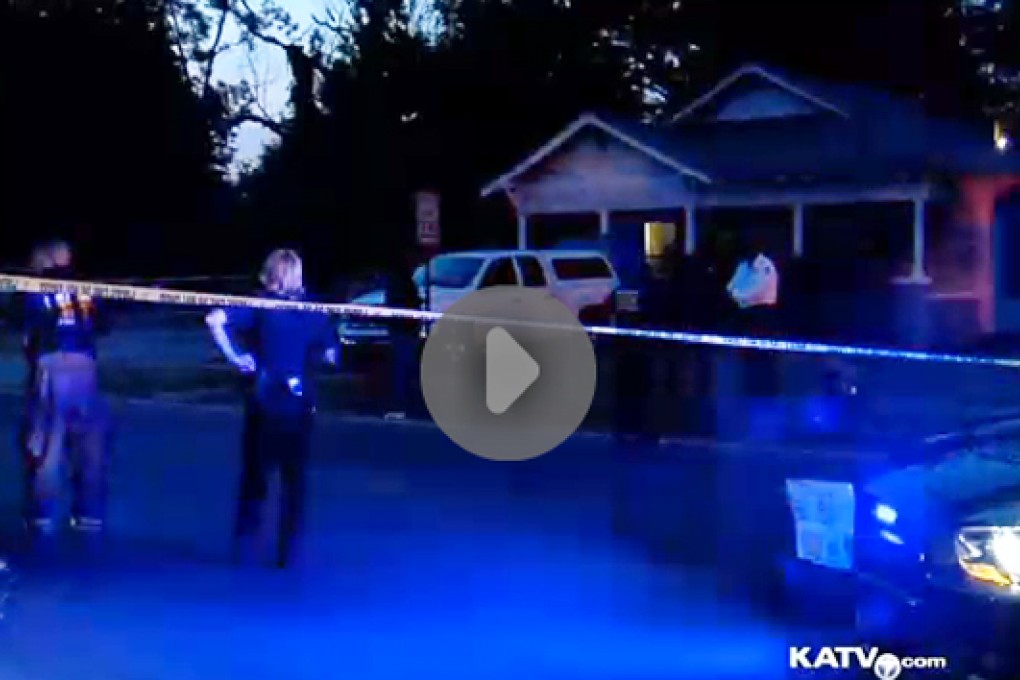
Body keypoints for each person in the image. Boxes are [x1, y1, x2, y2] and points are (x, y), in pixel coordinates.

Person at [205, 249, 339, 568]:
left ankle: (245, 545)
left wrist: (235, 356)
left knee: (255, 477)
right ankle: (287, 552)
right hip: (298, 405)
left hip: (264, 404)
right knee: (294, 482)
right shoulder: (313, 311)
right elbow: (332, 353)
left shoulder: (260, 306)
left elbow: (214, 319)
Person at [21, 240, 111, 540]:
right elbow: (103, 322)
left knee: (47, 442)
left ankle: (43, 516)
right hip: (86, 366)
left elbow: (27, 330)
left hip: (53, 363)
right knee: (89, 442)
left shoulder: (34, 285)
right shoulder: (86, 285)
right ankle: (88, 514)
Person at [725, 235, 781, 397]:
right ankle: (749, 390)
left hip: (764, 315)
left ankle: (768, 392)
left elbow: (756, 291)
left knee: (765, 356)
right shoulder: (742, 265)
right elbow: (731, 287)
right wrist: (738, 295)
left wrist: (739, 295)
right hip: (746, 316)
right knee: (747, 356)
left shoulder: (766, 266)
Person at [383, 250, 423, 420]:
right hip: (403, 331)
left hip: (405, 330)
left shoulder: (403, 281)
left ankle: (406, 402)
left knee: (405, 368)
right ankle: (403, 403)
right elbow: (403, 303)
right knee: (403, 368)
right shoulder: (400, 281)